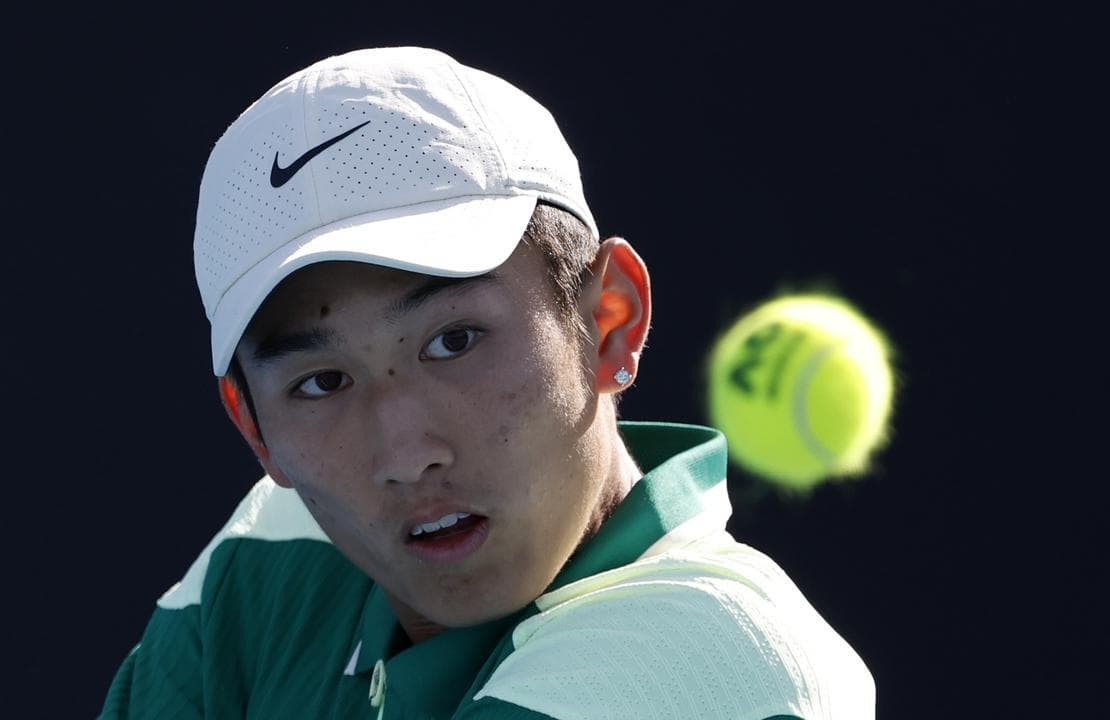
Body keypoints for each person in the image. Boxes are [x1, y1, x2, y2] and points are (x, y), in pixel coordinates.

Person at [100, 46, 875, 719]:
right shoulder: (271, 547)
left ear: (610, 320)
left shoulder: (713, 661)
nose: (406, 452)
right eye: (323, 381)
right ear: (254, 428)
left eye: (454, 340)